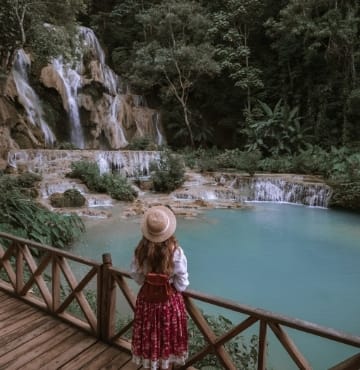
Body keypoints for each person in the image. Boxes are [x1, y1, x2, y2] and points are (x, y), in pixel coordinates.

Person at [130, 205, 189, 370]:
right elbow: (182, 283)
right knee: (168, 340)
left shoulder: (140, 251)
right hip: (168, 302)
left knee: (149, 337)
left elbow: (136, 275)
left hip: (146, 302)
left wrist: (149, 281)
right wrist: (169, 283)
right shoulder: (175, 252)